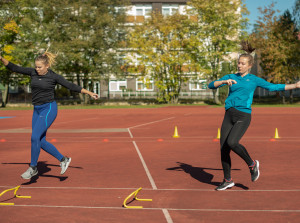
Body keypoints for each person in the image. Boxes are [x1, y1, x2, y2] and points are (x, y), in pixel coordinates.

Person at [208, 41, 300, 191]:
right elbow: (211, 85)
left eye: (242, 63)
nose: (239, 65)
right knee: (223, 149)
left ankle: (252, 164)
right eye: (238, 63)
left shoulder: (254, 80)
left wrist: (294, 86)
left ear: (249, 66)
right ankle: (228, 180)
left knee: (232, 142)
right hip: (228, 115)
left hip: (243, 116)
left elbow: (272, 87)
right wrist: (224, 81)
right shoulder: (231, 76)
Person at [0, 50, 99, 180]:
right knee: (40, 141)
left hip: (49, 108)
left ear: (47, 66)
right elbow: (14, 68)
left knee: (34, 137)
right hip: (37, 110)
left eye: (40, 67)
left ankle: (33, 168)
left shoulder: (54, 77)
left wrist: (89, 92)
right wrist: (1, 58)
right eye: (36, 66)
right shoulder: (32, 73)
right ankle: (63, 159)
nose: (37, 69)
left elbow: (71, 86)